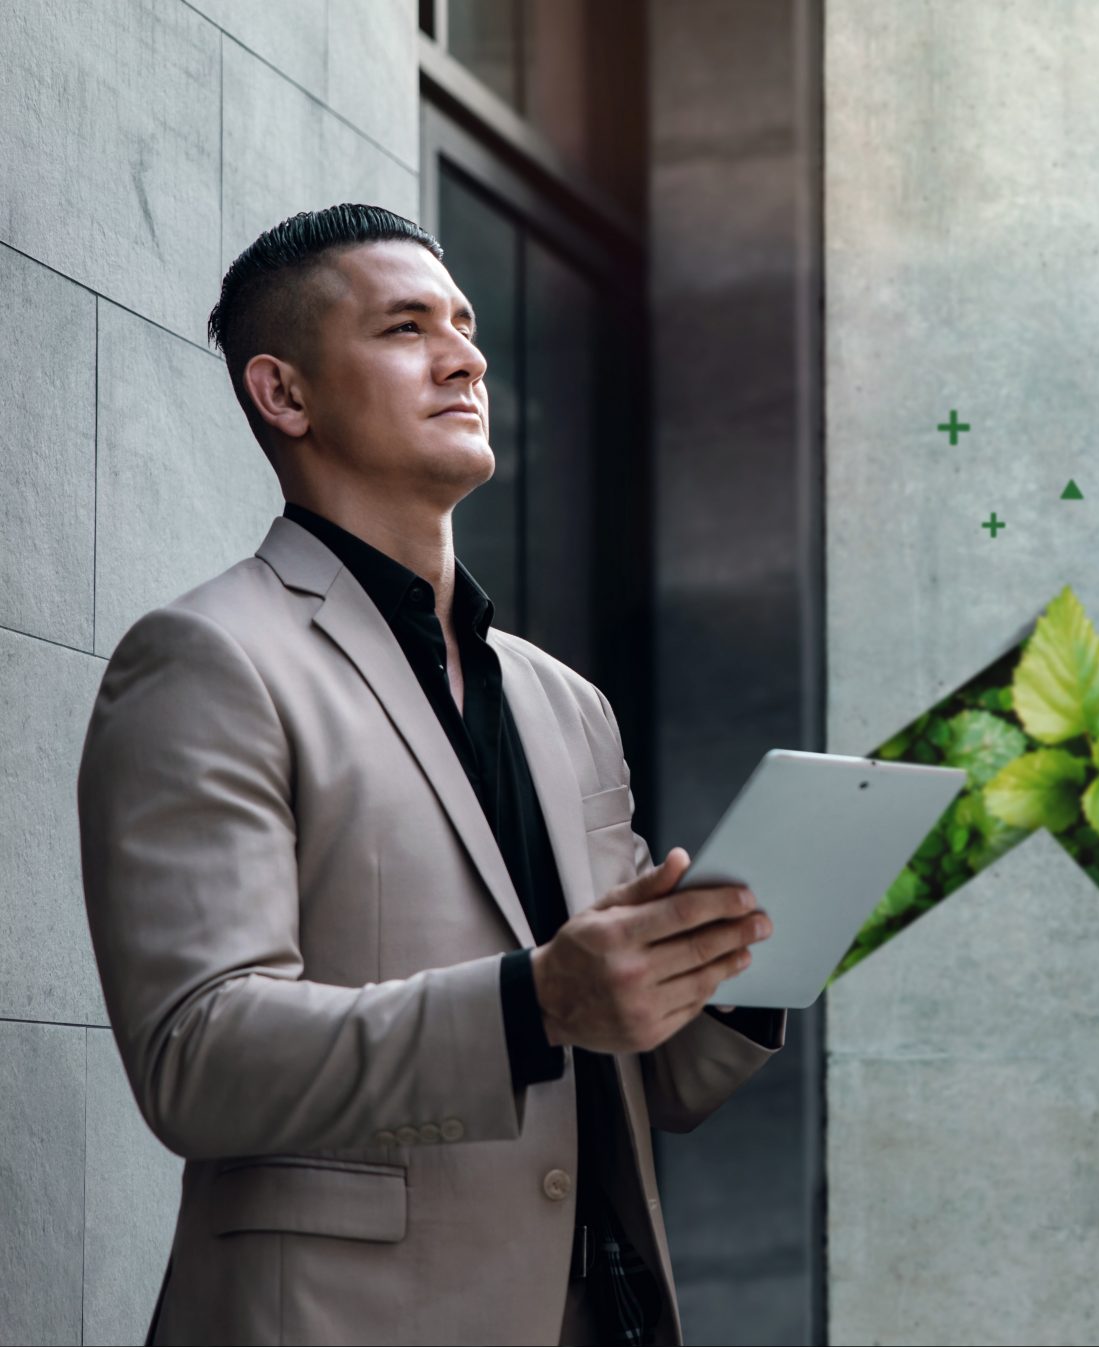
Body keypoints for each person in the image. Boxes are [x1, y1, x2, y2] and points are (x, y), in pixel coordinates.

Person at [75, 203, 784, 1345]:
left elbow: (638, 1075)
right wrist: (532, 1001)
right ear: (284, 395)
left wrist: (744, 962)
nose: (466, 356)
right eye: (406, 328)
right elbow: (195, 1058)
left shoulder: (566, 703)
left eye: (463, 323)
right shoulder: (208, 659)